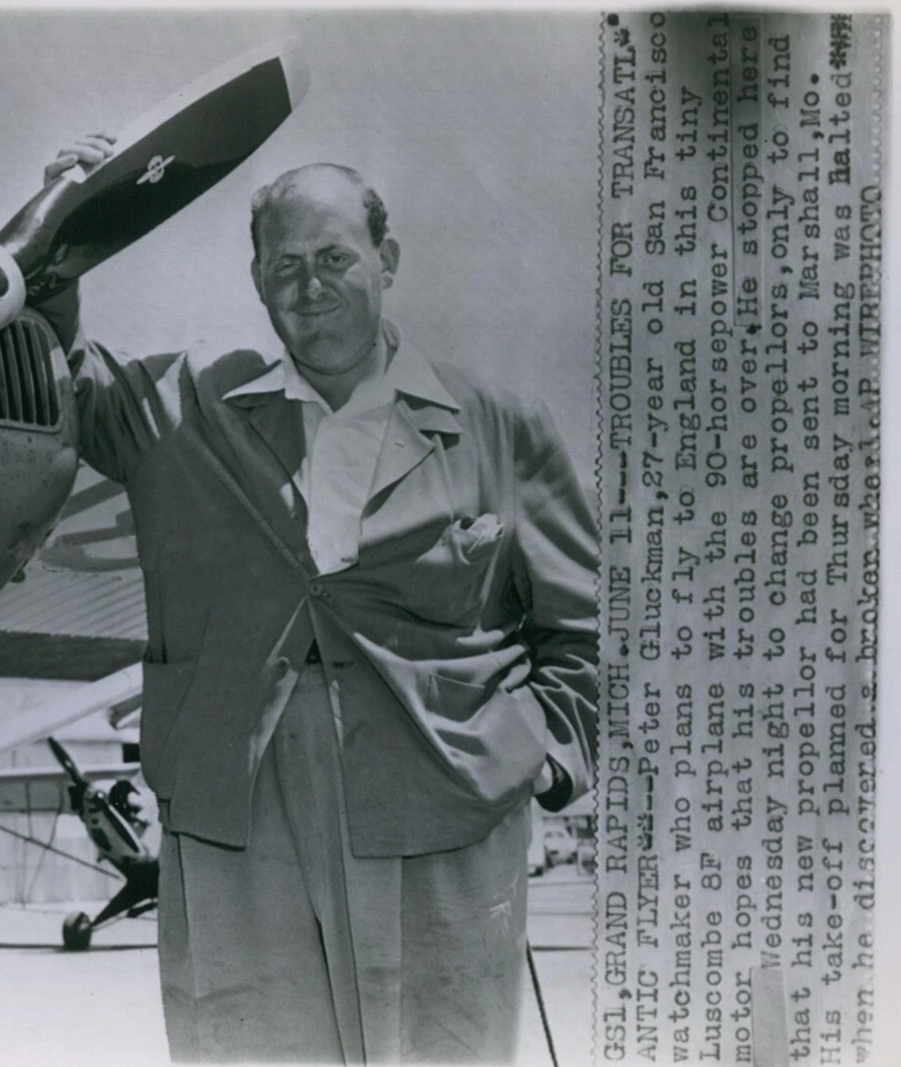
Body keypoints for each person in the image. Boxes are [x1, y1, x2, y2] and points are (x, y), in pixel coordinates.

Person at [33, 134, 598, 1064]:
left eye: (335, 257)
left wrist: (536, 751)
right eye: (284, 264)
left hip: (442, 797)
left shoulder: (501, 425)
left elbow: (586, 628)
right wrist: (69, 222)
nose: (309, 284)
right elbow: (56, 372)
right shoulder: (183, 406)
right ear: (256, 279)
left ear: (388, 259)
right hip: (236, 805)